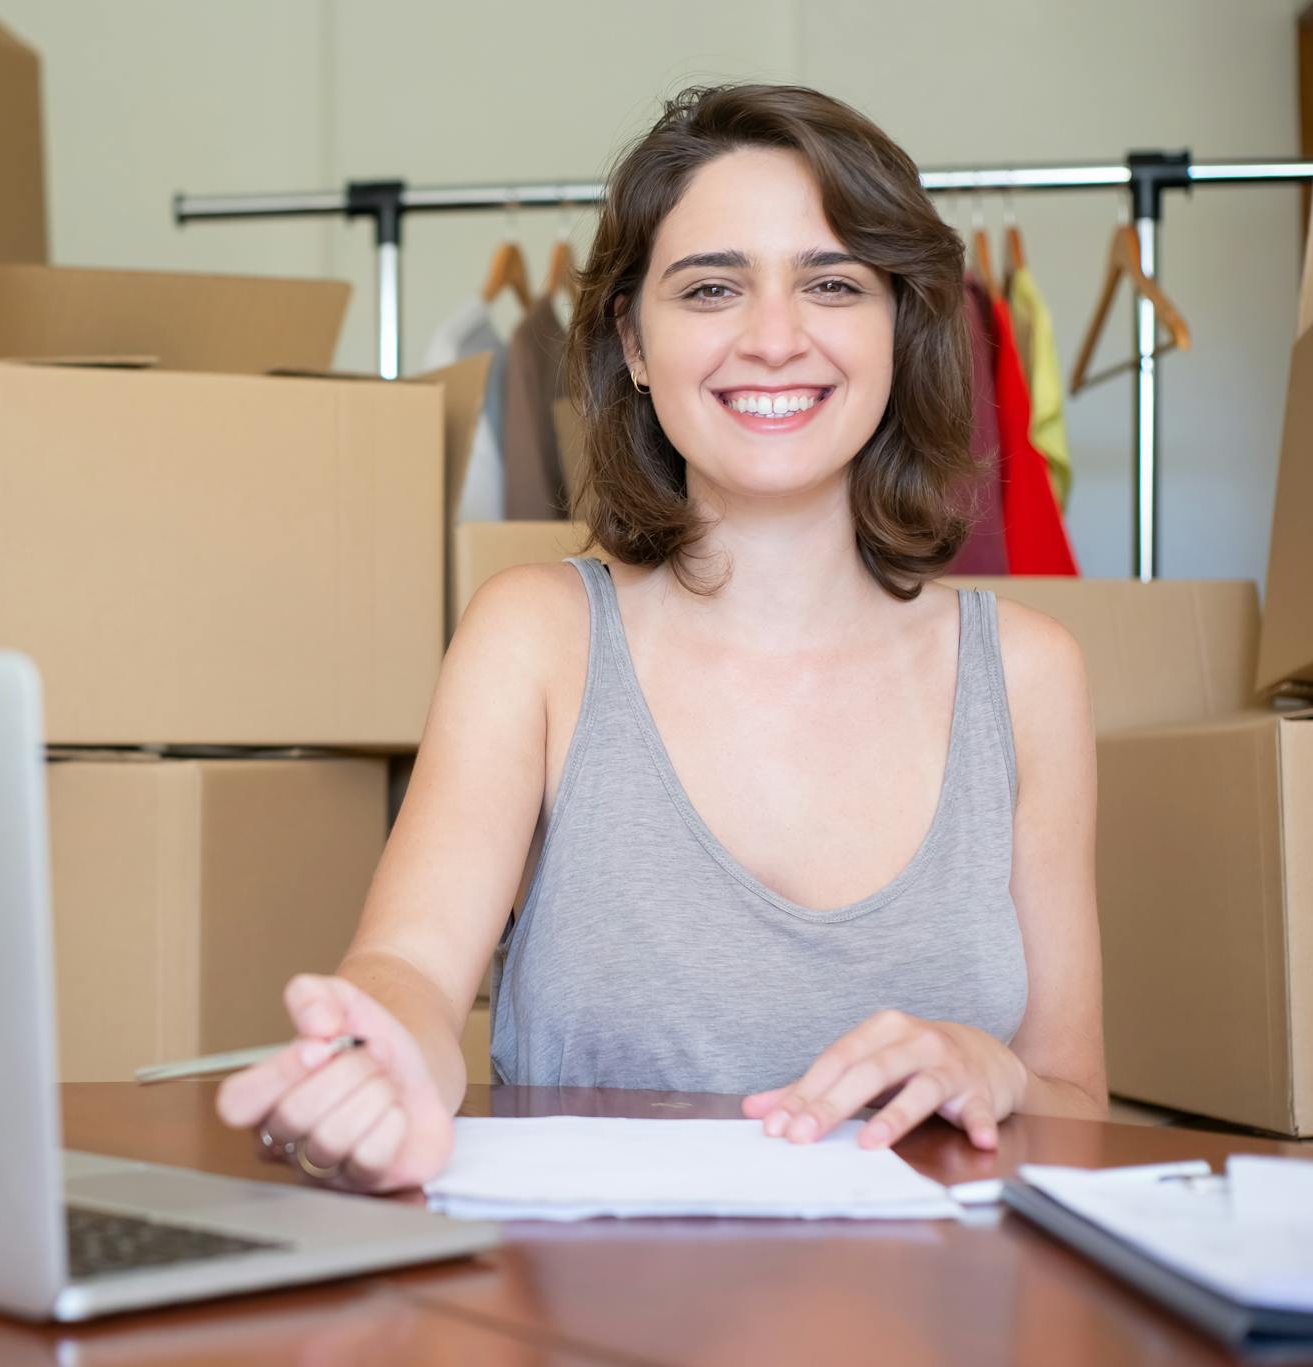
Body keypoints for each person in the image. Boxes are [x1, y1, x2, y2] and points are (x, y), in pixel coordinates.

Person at [216, 82, 1108, 1194]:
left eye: (830, 283)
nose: (773, 337)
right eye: (711, 287)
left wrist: (997, 1069)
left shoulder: (1027, 674)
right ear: (633, 340)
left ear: (897, 326)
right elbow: (408, 968)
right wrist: (381, 1048)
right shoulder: (534, 636)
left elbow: (1074, 1096)